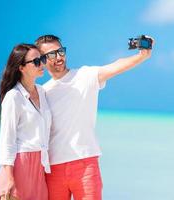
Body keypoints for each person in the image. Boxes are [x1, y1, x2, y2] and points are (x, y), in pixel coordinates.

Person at [35, 34, 153, 200]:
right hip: (52, 169)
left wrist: (142, 55)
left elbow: (116, 65)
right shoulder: (42, 92)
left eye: (60, 51)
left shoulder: (86, 76)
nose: (59, 57)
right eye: (51, 54)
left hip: (85, 165)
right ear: (42, 60)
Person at [0, 44, 52, 200]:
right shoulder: (13, 97)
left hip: (39, 168)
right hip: (19, 166)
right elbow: (7, 140)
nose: (42, 64)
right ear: (21, 67)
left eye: (42, 59)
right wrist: (9, 177)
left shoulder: (42, 92)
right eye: (36, 61)